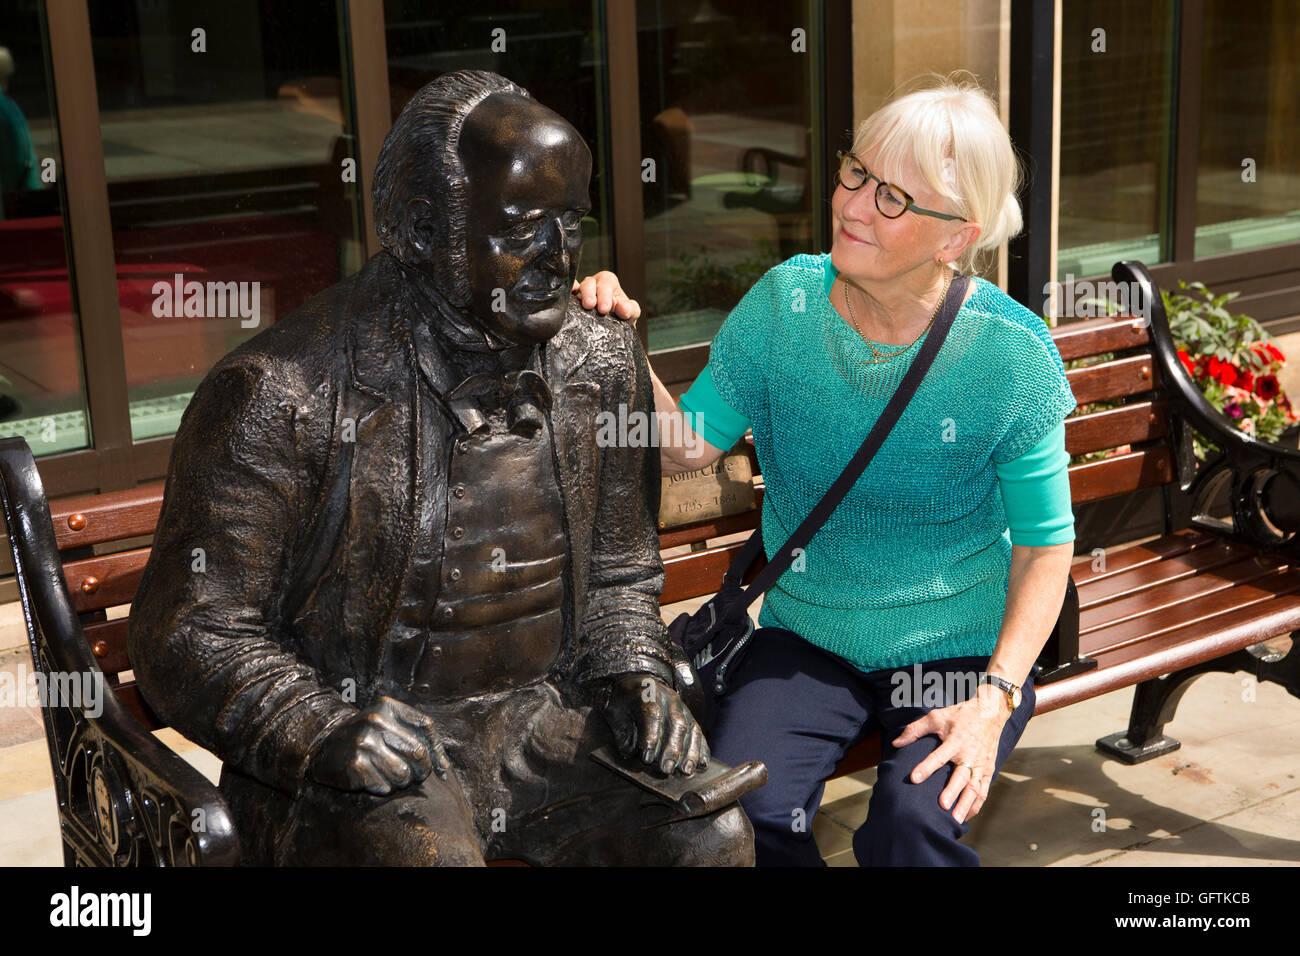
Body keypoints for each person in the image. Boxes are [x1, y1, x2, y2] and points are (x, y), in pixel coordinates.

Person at [129, 70, 753, 866]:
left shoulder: (599, 358)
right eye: (521, 227)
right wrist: (320, 727)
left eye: (572, 223)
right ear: (424, 230)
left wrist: (636, 675)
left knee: (712, 835)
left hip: (544, 727)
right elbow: (188, 631)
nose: (556, 260)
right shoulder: (281, 393)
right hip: (367, 745)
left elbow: (618, 575)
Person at [577, 76, 1077, 866]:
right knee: (749, 820)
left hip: (955, 646)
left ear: (955, 237)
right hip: (809, 633)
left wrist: (993, 700)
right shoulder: (786, 305)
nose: (852, 205)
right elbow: (688, 445)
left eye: (894, 199)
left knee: (909, 831)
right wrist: (612, 338)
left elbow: (1046, 547)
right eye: (857, 174)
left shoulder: (1010, 356)